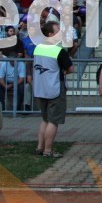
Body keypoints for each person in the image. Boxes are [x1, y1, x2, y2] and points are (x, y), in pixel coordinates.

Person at [32, 22, 74, 159]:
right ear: (50, 34)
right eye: (58, 31)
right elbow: (70, 69)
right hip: (55, 88)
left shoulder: (37, 48)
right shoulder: (58, 51)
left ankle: (40, 147)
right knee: (53, 121)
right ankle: (48, 150)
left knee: (45, 119)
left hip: (40, 88)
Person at [0, 46, 26, 112]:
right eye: (11, 60)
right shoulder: (4, 63)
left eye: (13, 60)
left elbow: (22, 78)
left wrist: (14, 84)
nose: (12, 62)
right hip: (6, 81)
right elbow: (0, 77)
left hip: (18, 82)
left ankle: (18, 108)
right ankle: (1, 107)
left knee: (22, 88)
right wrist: (5, 86)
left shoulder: (21, 64)